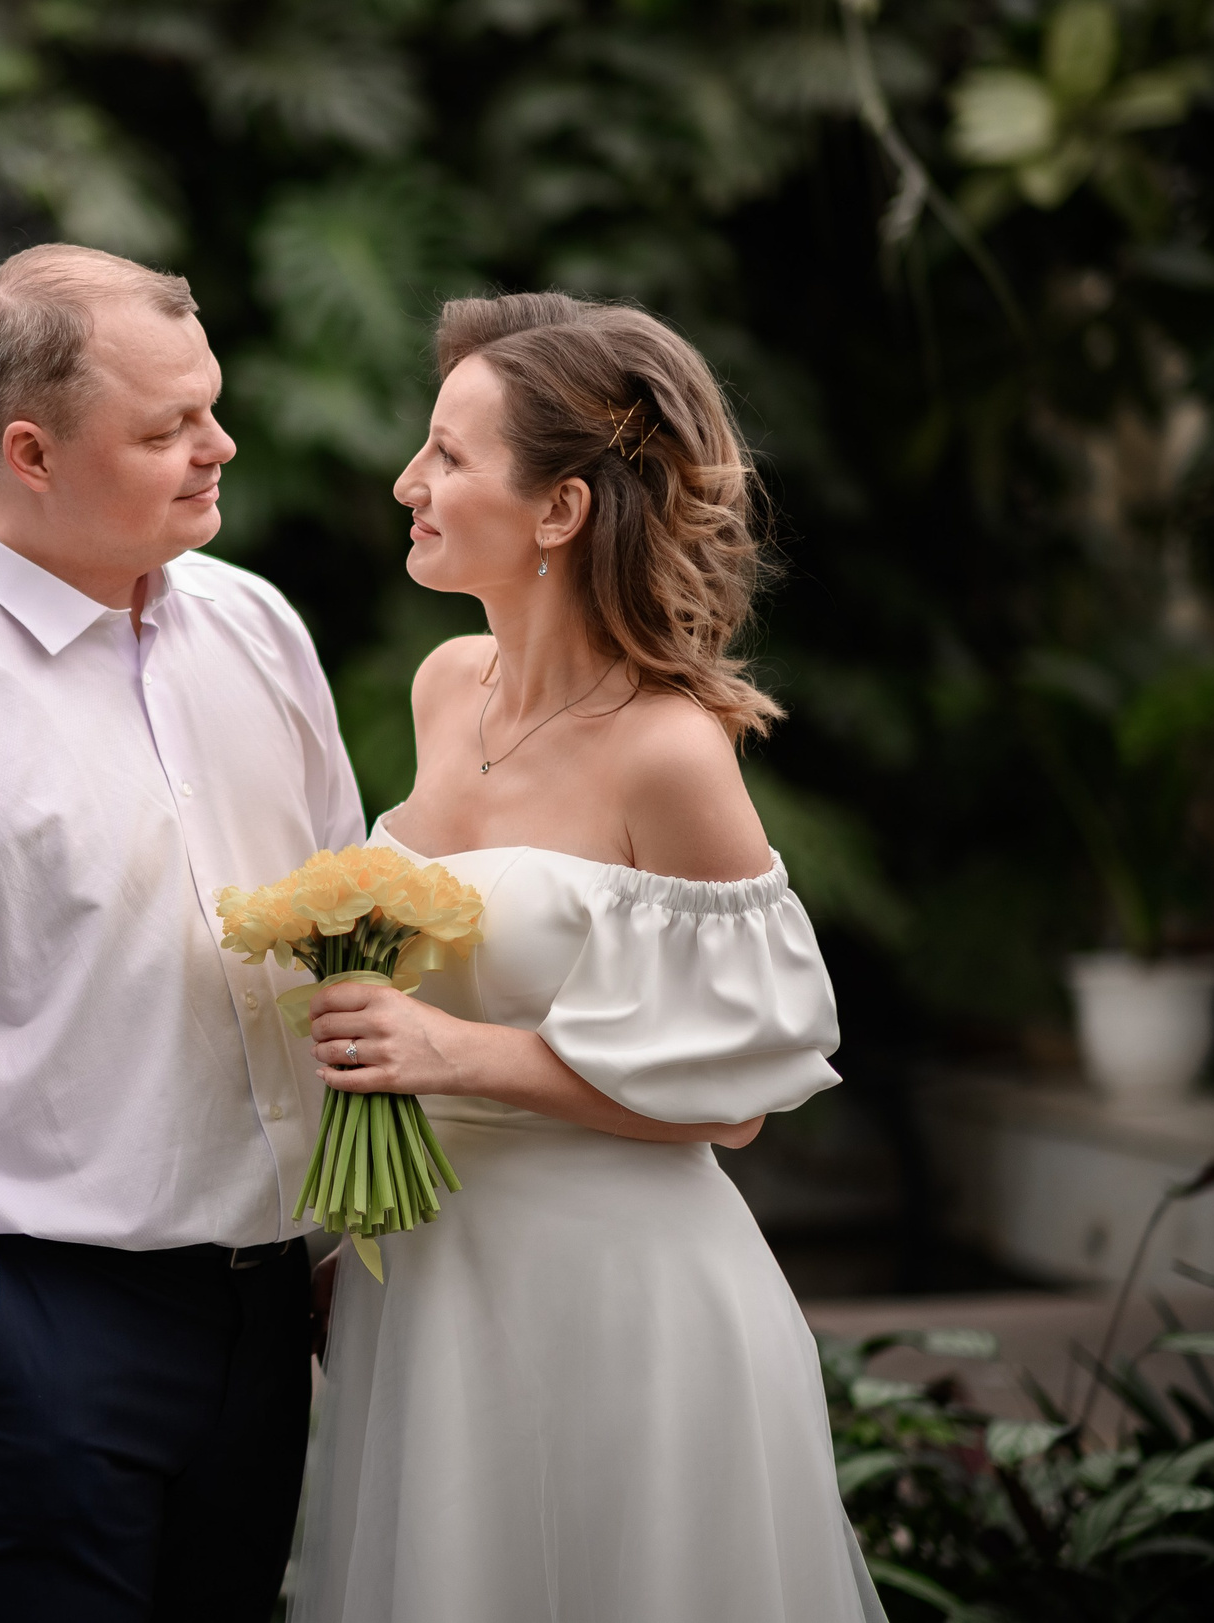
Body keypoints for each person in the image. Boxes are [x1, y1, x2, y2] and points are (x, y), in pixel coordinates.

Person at [0, 243, 361, 1621]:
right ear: (31, 451)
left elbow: (343, 918)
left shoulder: (261, 630)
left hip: (273, 1304)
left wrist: (334, 1233)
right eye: (166, 430)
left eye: (209, 405)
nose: (219, 446)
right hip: (45, 1328)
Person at [291, 292, 885, 1622]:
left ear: (559, 510)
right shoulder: (445, 686)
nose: (410, 481)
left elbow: (734, 1098)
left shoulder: (668, 751)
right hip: (433, 1284)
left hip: (619, 1300)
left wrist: (459, 1054)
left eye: (449, 454)